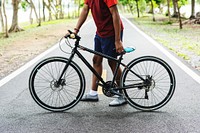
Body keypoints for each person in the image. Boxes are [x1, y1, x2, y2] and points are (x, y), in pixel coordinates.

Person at [73, 0, 126, 106]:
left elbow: (115, 14)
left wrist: (117, 41)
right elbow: (85, 9)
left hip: (112, 33)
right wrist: (76, 30)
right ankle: (93, 93)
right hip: (100, 33)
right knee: (96, 60)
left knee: (112, 61)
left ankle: (122, 94)